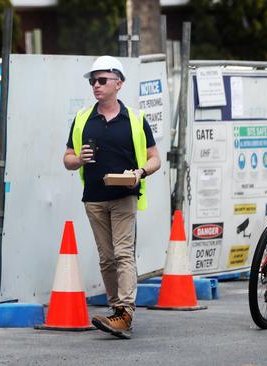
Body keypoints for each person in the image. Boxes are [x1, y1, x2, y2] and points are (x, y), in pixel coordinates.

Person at [62, 55, 161, 339]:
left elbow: (155, 158)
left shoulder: (135, 119)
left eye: (102, 80)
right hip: (93, 197)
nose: (96, 85)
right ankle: (116, 310)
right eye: (93, 81)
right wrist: (78, 159)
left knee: (122, 253)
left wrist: (141, 171)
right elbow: (67, 158)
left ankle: (125, 312)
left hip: (124, 195)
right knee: (106, 258)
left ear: (119, 83)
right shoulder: (83, 118)